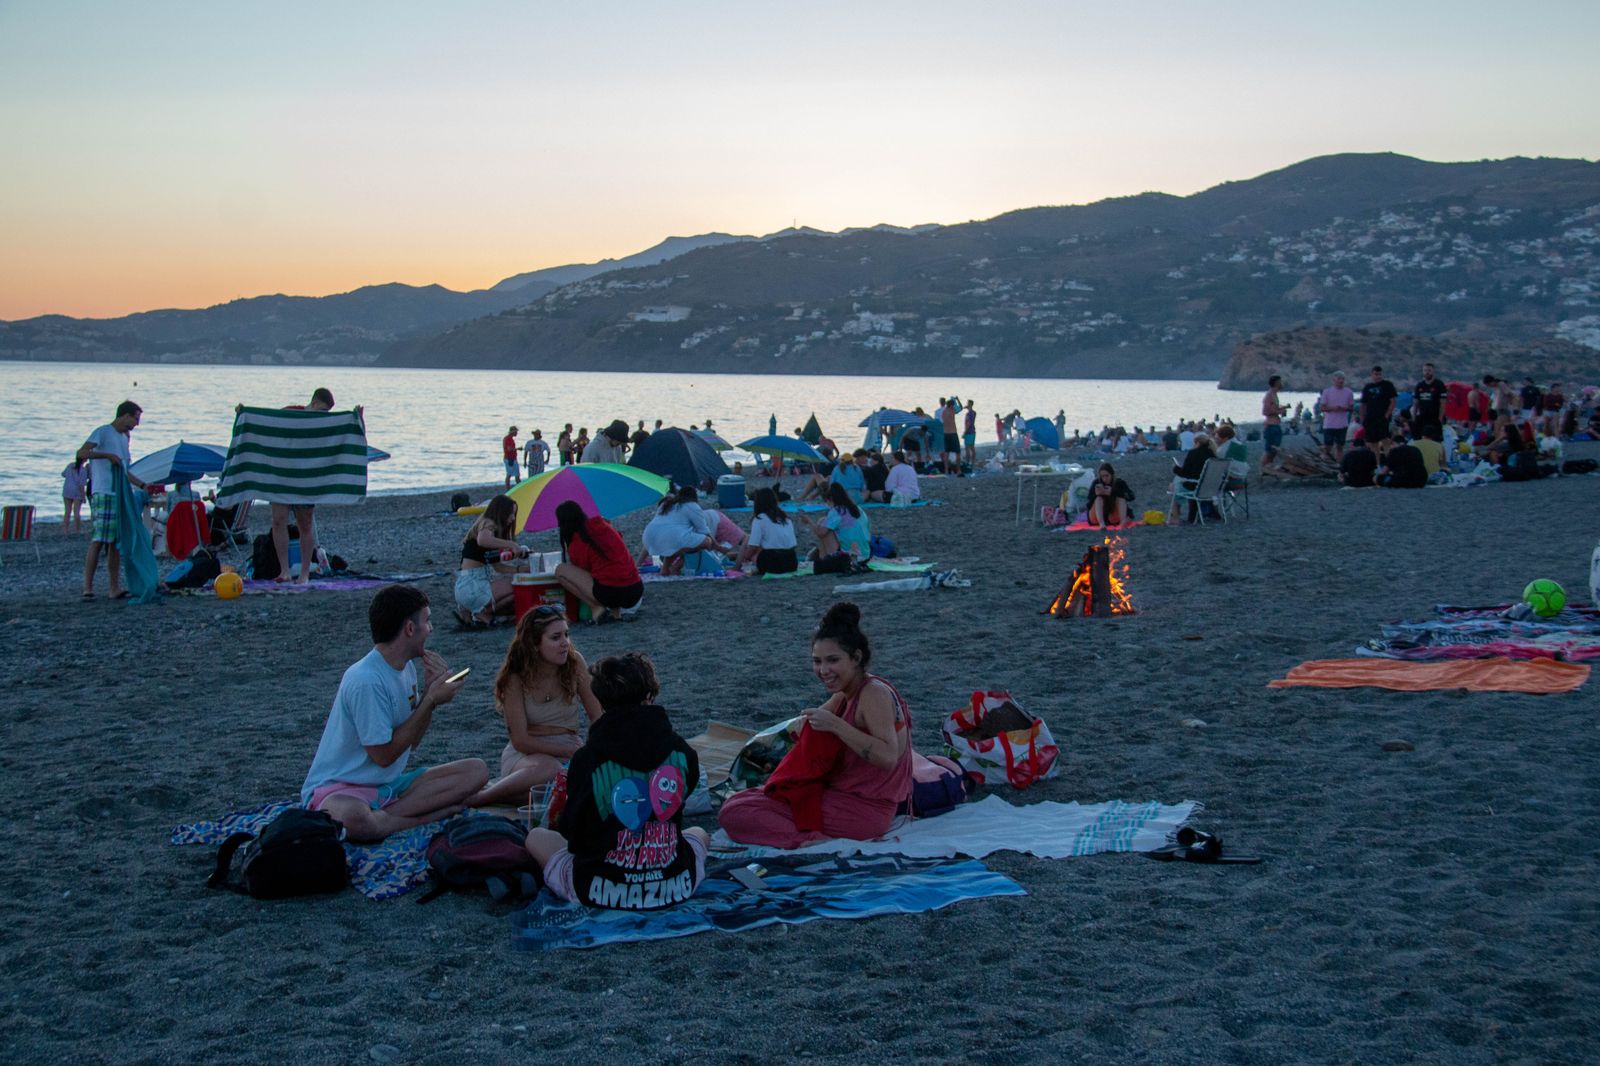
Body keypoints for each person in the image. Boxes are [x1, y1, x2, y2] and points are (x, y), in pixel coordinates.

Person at [299, 584, 490, 842]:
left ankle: (385, 819)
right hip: (341, 789)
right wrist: (430, 700)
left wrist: (429, 697)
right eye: (427, 621)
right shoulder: (366, 680)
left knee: (476, 771)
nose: (431, 629)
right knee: (354, 819)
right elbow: (383, 756)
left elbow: (412, 743)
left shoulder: (406, 669)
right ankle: (418, 818)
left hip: (389, 786)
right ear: (410, 629)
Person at [718, 602, 913, 849]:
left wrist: (835, 726)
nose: (823, 670)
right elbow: (810, 724)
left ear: (856, 658)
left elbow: (887, 757)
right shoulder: (845, 693)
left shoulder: (873, 693)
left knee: (735, 813)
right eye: (817, 661)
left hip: (864, 810)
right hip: (841, 795)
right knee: (742, 800)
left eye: (833, 660)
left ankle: (810, 841)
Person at [523, 652, 708, 910]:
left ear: (602, 700)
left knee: (536, 837)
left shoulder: (587, 759)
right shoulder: (681, 752)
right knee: (699, 833)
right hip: (674, 884)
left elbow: (572, 833)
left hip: (599, 889)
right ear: (649, 696)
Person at [474, 606, 604, 806]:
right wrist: (567, 751)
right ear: (535, 644)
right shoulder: (515, 676)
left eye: (566, 635)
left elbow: (597, 716)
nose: (565, 643)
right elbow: (520, 741)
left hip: (569, 750)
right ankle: (481, 798)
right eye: (555, 637)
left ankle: (503, 795)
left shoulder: (574, 663)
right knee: (551, 771)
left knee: (581, 782)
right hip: (527, 757)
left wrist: (590, 749)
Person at [77, 400, 149, 600]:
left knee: (115, 543)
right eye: (135, 419)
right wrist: (106, 455)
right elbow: (81, 453)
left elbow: (124, 470)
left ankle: (114, 587)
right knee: (100, 539)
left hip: (120, 493)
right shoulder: (103, 432)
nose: (136, 424)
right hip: (103, 492)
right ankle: (87, 587)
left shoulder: (125, 438)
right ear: (125, 416)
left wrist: (142, 485)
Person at [270, 388, 335, 585]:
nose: (324, 415)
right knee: (278, 520)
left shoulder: (324, 424)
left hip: (307, 476)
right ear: (314, 403)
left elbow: (343, 436)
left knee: (305, 523)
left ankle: (304, 573)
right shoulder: (290, 412)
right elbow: (268, 424)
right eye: (322, 410)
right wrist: (244, 414)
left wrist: (357, 419)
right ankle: (284, 571)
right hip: (282, 474)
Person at [554, 500, 642, 623]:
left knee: (561, 570)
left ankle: (595, 607)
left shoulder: (578, 541)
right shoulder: (604, 526)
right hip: (635, 590)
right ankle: (615, 614)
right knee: (611, 571)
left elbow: (583, 571)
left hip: (610, 593)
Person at [453, 494, 529, 627]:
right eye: (510, 513)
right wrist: (511, 544)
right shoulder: (488, 522)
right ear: (500, 512)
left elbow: (499, 567)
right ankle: (480, 613)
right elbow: (482, 540)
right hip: (473, 586)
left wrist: (522, 569)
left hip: (466, 587)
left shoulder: (490, 535)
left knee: (516, 600)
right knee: (519, 585)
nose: (513, 518)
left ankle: (477, 612)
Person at [641, 486, 717, 576]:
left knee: (677, 543)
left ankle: (665, 570)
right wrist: (717, 547)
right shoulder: (692, 505)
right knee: (706, 542)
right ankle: (675, 567)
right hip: (669, 539)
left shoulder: (666, 503)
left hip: (648, 539)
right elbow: (704, 531)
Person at [736, 486, 799, 574]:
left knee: (748, 539)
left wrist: (745, 558)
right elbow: (793, 545)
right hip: (792, 562)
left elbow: (753, 546)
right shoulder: (786, 519)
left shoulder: (760, 519)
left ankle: (736, 567)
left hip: (772, 563)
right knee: (763, 546)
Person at [801, 483, 870, 561]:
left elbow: (820, 533)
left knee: (823, 526)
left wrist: (809, 521)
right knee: (826, 523)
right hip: (865, 554)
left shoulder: (837, 511)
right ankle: (821, 557)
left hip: (849, 557)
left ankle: (824, 560)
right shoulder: (858, 509)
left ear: (831, 498)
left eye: (827, 501)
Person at [1169, 434, 1216, 522]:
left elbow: (1185, 473)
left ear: (1197, 443)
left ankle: (1175, 517)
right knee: (1177, 483)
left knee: (1173, 486)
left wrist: (1175, 468)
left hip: (1195, 486)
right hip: (1210, 487)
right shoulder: (1213, 454)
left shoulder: (1193, 453)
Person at [1084, 463, 1135, 527]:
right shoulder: (1097, 483)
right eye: (1102, 476)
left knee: (1121, 499)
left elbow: (1131, 497)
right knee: (1098, 499)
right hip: (1098, 516)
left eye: (1107, 476)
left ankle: (1122, 523)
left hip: (1113, 516)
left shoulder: (1119, 483)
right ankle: (1102, 524)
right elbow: (1088, 505)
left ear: (1112, 475)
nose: (1105, 479)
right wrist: (1095, 494)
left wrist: (1113, 492)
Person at [1319, 371, 1356, 460]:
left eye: (1342, 379)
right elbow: (1322, 408)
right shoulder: (1327, 392)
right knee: (1328, 445)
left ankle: (1339, 463)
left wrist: (1343, 408)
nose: (1341, 381)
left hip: (1342, 424)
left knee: (1340, 446)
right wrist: (1333, 408)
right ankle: (1324, 459)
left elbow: (1351, 408)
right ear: (1334, 380)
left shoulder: (1348, 392)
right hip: (1329, 424)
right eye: (1339, 379)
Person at [1411, 363, 1446, 437]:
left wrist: (1440, 418)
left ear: (1433, 371)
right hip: (1422, 417)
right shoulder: (1419, 385)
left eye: (1429, 370)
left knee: (1435, 439)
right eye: (1425, 370)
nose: (1427, 372)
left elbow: (1443, 403)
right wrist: (1414, 417)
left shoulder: (1439, 384)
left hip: (1435, 417)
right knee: (1419, 437)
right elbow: (1415, 403)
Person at [1261, 377, 1288, 469]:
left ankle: (1268, 466)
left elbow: (1273, 409)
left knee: (1275, 449)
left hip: (1276, 424)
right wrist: (1279, 411)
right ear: (1276, 383)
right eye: (1280, 382)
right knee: (1269, 450)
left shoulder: (1274, 394)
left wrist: (1282, 409)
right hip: (1270, 426)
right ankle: (1263, 468)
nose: (1282, 383)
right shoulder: (1269, 395)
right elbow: (1265, 411)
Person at [61, 457, 89, 534]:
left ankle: (65, 530)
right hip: (77, 492)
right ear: (84, 460)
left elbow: (63, 474)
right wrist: (83, 497)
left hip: (67, 490)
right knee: (76, 511)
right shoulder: (83, 470)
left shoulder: (70, 465)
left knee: (67, 511)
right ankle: (77, 530)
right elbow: (81, 486)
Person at [940, 397, 960, 474]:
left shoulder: (944, 412)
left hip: (946, 433)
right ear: (951, 405)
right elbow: (960, 408)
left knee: (947, 453)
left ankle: (946, 470)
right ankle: (958, 470)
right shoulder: (952, 411)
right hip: (953, 433)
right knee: (957, 452)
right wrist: (957, 400)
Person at [502, 425, 520, 490]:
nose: (517, 433)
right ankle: (508, 489)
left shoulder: (509, 438)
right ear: (513, 432)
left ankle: (519, 488)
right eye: (516, 432)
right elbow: (509, 449)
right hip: (509, 458)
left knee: (517, 474)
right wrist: (517, 449)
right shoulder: (508, 438)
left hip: (512, 458)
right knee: (509, 474)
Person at [965, 400, 980, 468]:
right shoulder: (974, 412)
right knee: (972, 447)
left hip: (969, 432)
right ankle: (972, 463)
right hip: (973, 431)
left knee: (967, 448)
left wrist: (965, 432)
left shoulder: (969, 414)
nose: (966, 404)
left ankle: (968, 462)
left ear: (970, 404)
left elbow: (969, 423)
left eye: (967, 403)